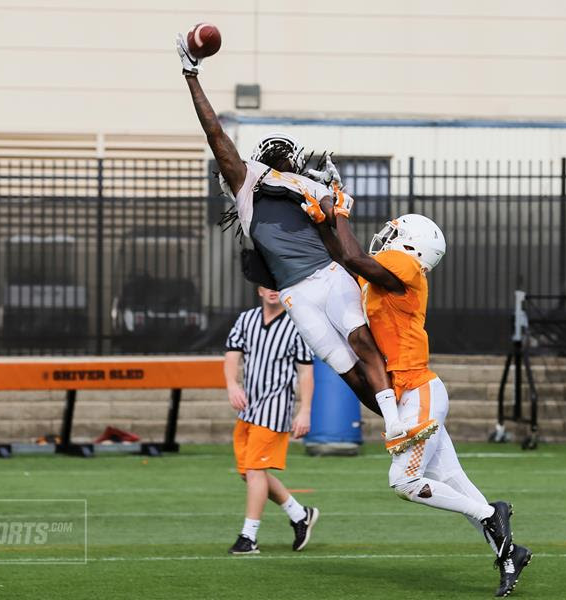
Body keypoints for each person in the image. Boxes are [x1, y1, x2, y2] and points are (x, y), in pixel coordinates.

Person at [176, 34, 434, 454]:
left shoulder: (309, 186)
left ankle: (397, 425)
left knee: (362, 342)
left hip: (329, 275)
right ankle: (398, 424)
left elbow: (336, 234)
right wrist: (192, 75)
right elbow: (215, 134)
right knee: (345, 369)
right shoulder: (248, 185)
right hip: (296, 293)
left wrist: (335, 202)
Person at [304, 191, 532, 597]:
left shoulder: (405, 265)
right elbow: (345, 259)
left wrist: (339, 213)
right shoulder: (391, 272)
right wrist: (323, 222)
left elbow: (355, 258)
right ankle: (510, 552)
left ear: (411, 246)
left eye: (395, 234)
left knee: (405, 483)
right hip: (415, 391)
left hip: (417, 389)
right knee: (453, 482)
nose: (386, 238)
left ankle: (491, 514)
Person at [224, 286, 318, 554]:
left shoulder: (296, 324)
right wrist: (232, 385)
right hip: (249, 407)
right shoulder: (246, 319)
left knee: (254, 471)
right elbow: (232, 354)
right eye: (267, 285)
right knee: (250, 472)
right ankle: (299, 514)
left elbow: (305, 372)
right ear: (258, 289)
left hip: (275, 409)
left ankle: (248, 537)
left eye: (276, 285)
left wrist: (305, 410)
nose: (272, 291)